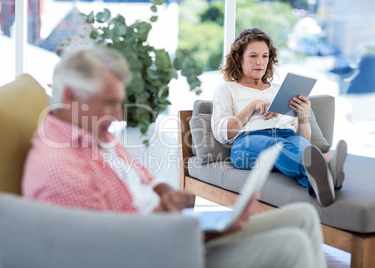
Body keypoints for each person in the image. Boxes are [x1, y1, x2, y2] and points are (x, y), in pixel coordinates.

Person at [22, 45, 327, 267]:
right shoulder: (60, 169)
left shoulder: (95, 134)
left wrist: (165, 192)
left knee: (304, 216)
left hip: (168, 229)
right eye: (109, 103)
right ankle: (317, 168)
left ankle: (319, 168)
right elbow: (120, 250)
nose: (118, 115)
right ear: (72, 98)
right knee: (292, 244)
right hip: (163, 251)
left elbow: (141, 176)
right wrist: (202, 232)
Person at [211, 28, 348, 207]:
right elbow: (223, 132)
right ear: (239, 58)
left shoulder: (279, 89)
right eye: (253, 56)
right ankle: (326, 165)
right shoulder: (227, 89)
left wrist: (303, 116)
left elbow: (303, 140)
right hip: (247, 142)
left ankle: (321, 184)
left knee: (302, 149)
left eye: (265, 56)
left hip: (288, 137)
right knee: (276, 148)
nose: (260, 62)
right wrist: (252, 106)